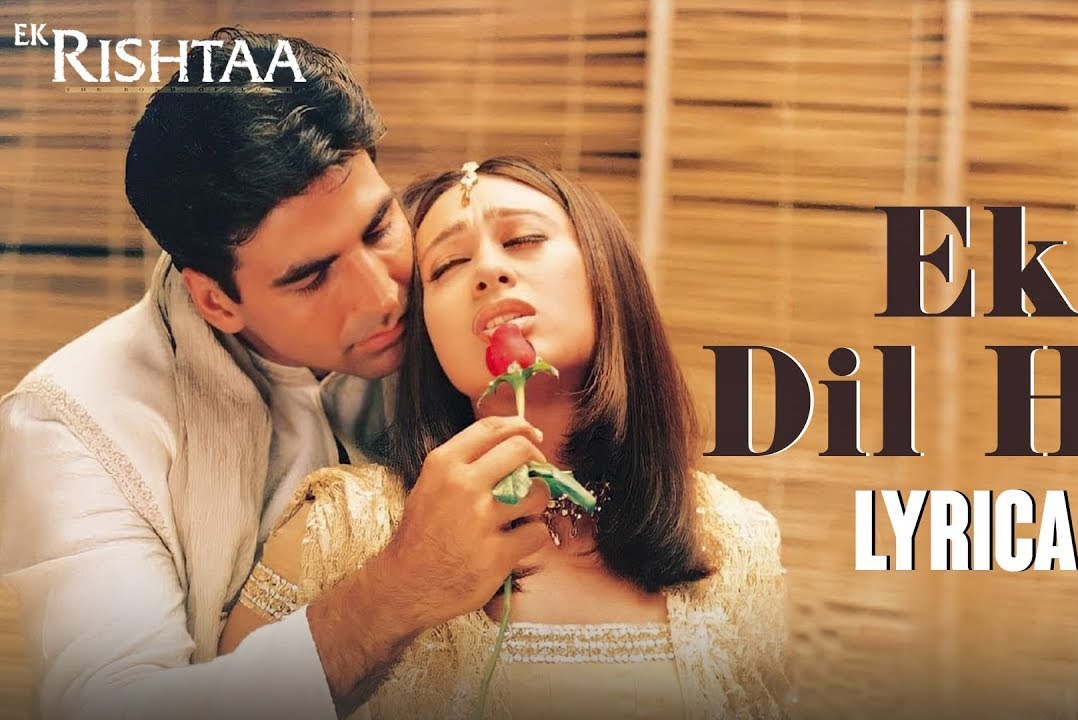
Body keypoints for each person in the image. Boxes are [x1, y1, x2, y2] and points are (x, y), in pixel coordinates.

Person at [0, 30, 551, 720]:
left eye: (378, 229)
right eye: (312, 276)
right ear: (216, 301)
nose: (382, 295)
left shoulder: (454, 302)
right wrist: (399, 590)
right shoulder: (73, 423)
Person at [220, 157, 796, 719]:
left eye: (522, 239)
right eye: (448, 265)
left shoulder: (735, 541)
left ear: (607, 273)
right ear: (426, 334)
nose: (488, 271)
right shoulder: (337, 528)